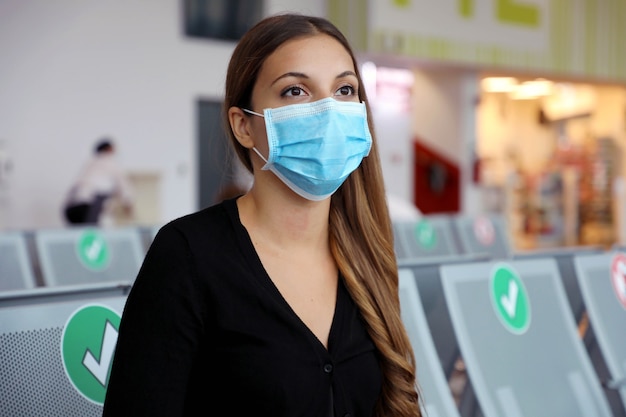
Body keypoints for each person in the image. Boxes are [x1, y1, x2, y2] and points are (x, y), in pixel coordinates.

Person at [103, 13, 421, 417]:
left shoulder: (367, 252)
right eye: (294, 91)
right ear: (243, 126)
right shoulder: (188, 257)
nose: (327, 110)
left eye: (344, 89)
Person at [63, 138, 133, 225]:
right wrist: (128, 203)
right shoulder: (111, 162)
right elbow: (123, 185)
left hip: (70, 207)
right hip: (89, 204)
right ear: (109, 149)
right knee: (90, 232)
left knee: (80, 233)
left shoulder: (90, 163)